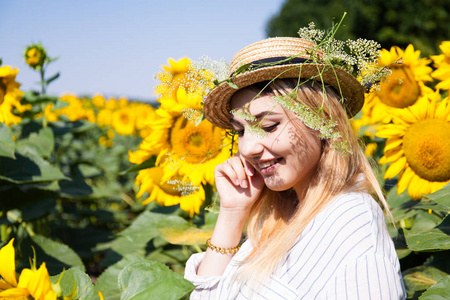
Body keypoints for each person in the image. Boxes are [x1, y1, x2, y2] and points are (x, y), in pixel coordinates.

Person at [184, 36, 406, 299]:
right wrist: (232, 212)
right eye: (241, 131)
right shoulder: (274, 220)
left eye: (268, 126)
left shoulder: (351, 218)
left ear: (322, 121)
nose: (247, 149)